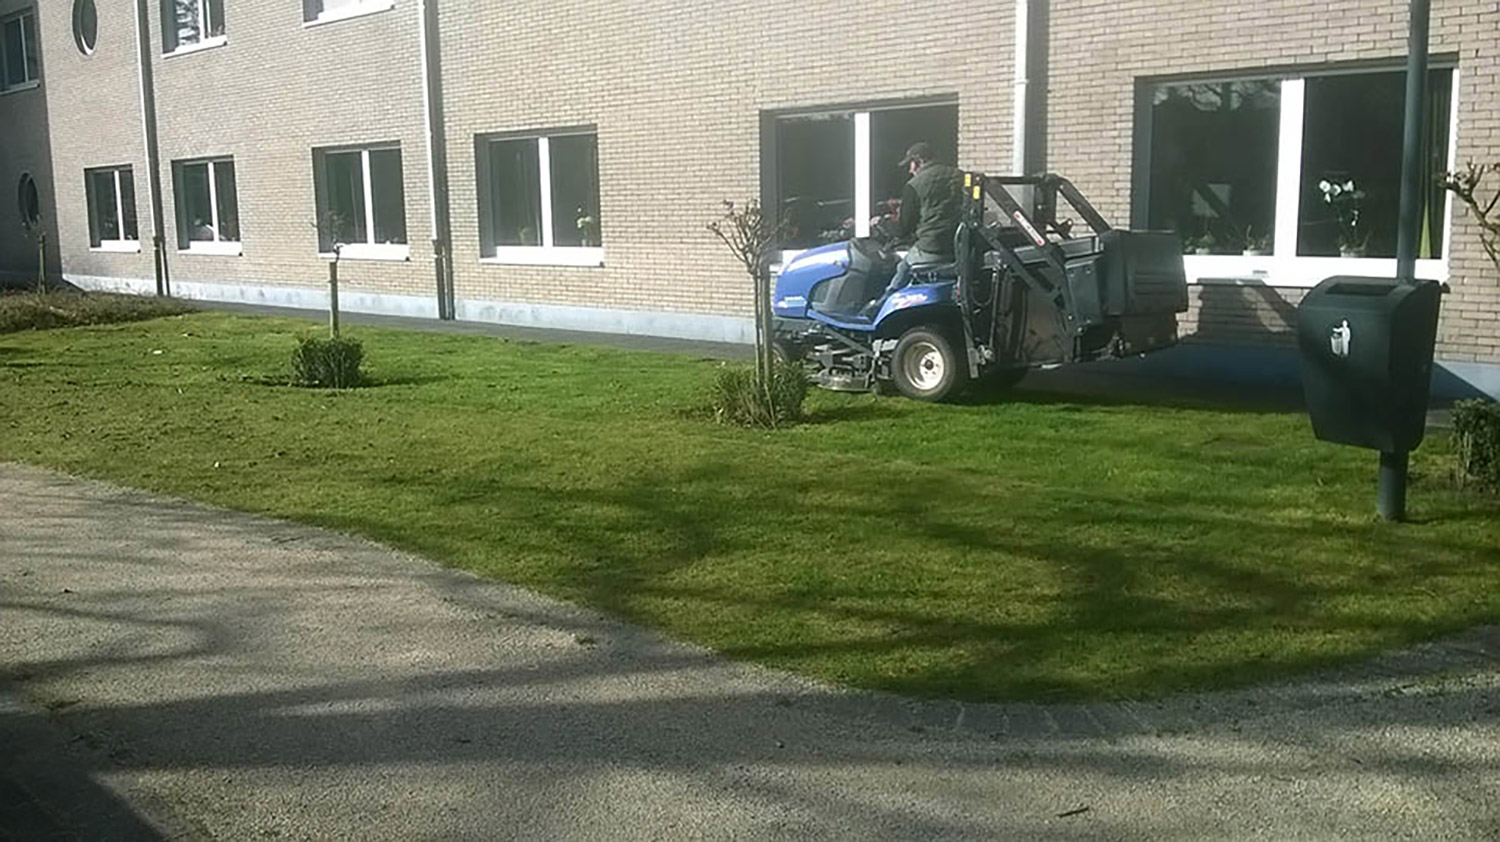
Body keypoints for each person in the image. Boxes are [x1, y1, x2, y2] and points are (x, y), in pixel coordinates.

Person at [862, 142, 965, 316]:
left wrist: (881, 222)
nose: (910, 170)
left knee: (903, 266)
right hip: (961, 248)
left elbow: (903, 229)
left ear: (918, 161)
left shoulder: (914, 185)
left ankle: (880, 307)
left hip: (933, 249)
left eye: (910, 164)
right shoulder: (959, 176)